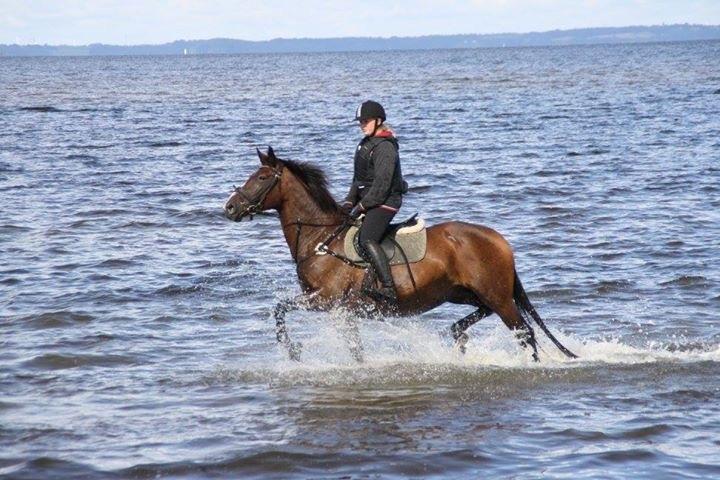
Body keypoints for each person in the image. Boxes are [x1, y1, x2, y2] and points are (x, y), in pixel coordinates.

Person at [341, 100, 406, 308]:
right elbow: (357, 180)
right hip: (371, 199)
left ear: (379, 121)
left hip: (386, 200)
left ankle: (387, 287)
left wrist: (361, 207)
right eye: (360, 121)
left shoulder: (385, 147)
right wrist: (348, 202)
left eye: (366, 121)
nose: (362, 125)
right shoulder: (364, 144)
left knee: (366, 237)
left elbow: (381, 186)